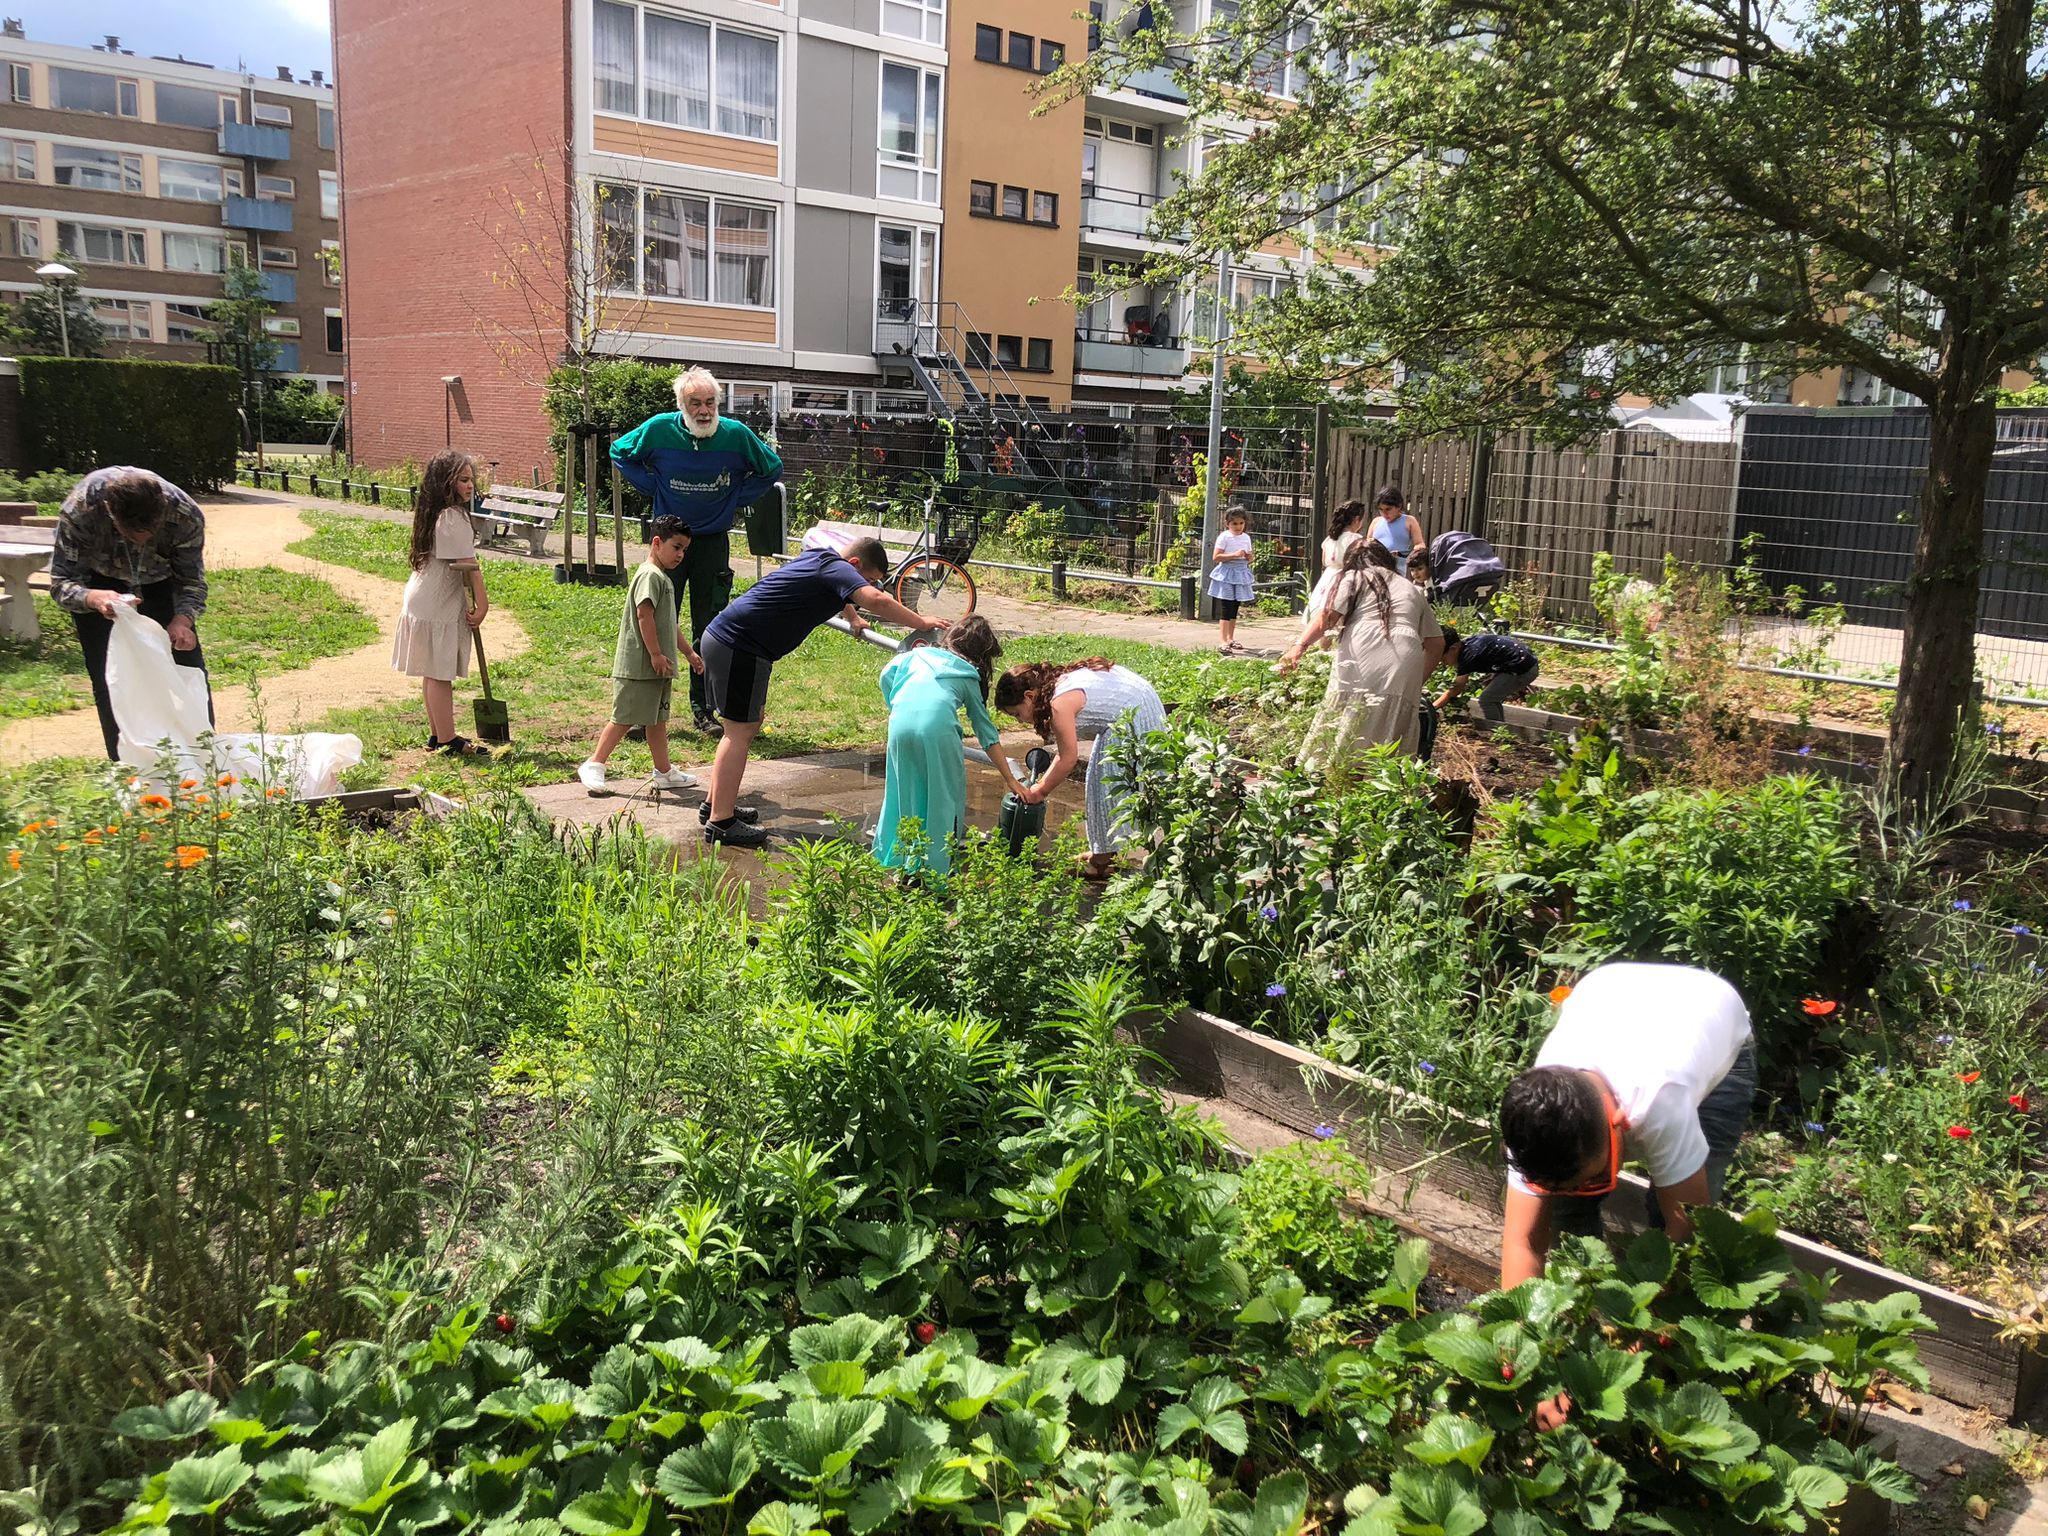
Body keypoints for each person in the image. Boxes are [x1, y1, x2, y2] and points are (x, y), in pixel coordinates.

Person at [1498, 962, 1757, 1291]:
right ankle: (1585, 1296)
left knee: (1679, 1216)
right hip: (1612, 989)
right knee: (1567, 1213)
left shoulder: (1661, 1103)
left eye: (1595, 1180)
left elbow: (1689, 1226)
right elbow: (1522, 1241)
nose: (1584, 1188)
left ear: (1620, 1121)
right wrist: (1520, 1318)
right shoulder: (1536, 1117)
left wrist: (1644, 1306)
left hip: (1716, 1023)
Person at [700, 537, 946, 848]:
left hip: (732, 642)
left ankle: (716, 803)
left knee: (745, 725)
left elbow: (841, 593)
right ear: (854, 564)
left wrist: (853, 617)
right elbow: (877, 600)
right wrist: (921, 621)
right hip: (740, 646)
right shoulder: (837, 567)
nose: (868, 586)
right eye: (868, 579)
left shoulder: (822, 559)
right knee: (739, 731)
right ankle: (721, 822)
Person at [611, 365, 783, 738]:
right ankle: (645, 711)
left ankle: (703, 710)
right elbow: (619, 452)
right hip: (668, 540)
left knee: (710, 628)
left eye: (709, 402)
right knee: (656, 621)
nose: (703, 411)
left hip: (712, 542)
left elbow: (771, 469)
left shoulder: (736, 435)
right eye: (695, 403)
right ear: (681, 405)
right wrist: (652, 486)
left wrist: (736, 497)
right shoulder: (659, 429)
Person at [49, 466, 212, 762]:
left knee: (187, 668)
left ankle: (204, 763)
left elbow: (191, 581)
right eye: (132, 533)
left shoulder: (186, 515)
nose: (142, 541)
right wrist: (92, 598)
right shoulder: (81, 509)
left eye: (150, 534)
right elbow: (61, 583)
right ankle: (128, 767)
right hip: (99, 586)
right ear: (110, 511)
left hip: (162, 585)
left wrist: (183, 620)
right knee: (111, 679)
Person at [873, 615, 1029, 876]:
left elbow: (885, 675)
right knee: (943, 800)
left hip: (899, 726)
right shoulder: (967, 675)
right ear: (981, 654)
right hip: (939, 733)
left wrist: (896, 704)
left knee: (905, 791)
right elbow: (986, 734)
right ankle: (935, 873)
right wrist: (1011, 779)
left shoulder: (914, 656)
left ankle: (904, 863)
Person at [1279, 540, 1445, 771]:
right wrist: (1416, 681)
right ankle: (1382, 785)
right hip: (1407, 655)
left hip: (1364, 644)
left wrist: (1299, 646)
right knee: (1390, 733)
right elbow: (1436, 643)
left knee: (1347, 717)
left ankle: (1333, 778)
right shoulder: (1411, 588)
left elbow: (1327, 617)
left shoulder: (1354, 576)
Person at [993, 657, 1165, 880]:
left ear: (1029, 696)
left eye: (1017, 714)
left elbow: (1067, 758)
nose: (1019, 721)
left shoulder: (1059, 704)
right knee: (1101, 779)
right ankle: (1104, 853)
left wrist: (1040, 791)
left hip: (1134, 714)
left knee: (1106, 788)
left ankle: (1102, 862)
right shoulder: (1056, 684)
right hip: (1140, 700)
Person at [577, 516, 704, 796]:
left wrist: (689, 653)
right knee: (624, 717)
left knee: (657, 721)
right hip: (639, 666)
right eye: (676, 547)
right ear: (657, 542)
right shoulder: (650, 575)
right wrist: (656, 654)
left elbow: (668, 623)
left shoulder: (662, 578)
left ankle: (664, 772)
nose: (681, 555)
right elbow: (643, 614)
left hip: (657, 668)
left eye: (684, 550)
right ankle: (594, 763)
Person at [390, 450, 492, 755]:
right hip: (436, 601)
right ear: (445, 483)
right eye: (462, 480)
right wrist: (483, 605)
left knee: (432, 670)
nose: (470, 485)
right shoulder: (452, 517)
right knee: (440, 672)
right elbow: (468, 565)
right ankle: (448, 739)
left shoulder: (434, 513)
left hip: (423, 595)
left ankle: (437, 735)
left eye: (471, 479)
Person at [1434, 623, 1541, 722]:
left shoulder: (1468, 657)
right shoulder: (1467, 645)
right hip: (1520, 663)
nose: (1441, 662)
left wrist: (1433, 708)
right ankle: (1500, 728)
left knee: (1487, 699)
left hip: (1522, 667)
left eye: (1442, 659)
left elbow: (1456, 688)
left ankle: (1495, 730)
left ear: (1454, 648)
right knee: (1492, 698)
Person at [1303, 498, 1367, 645]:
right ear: (1357, 519)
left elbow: (1324, 561)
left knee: (1323, 612)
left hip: (1327, 577)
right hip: (1345, 577)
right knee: (1338, 613)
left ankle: (1320, 646)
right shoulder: (1355, 539)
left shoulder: (1330, 539)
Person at [1208, 507, 1256, 653]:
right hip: (1227, 573)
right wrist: (1234, 555)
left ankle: (1230, 638)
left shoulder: (1246, 538)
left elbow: (1250, 557)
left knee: (1235, 606)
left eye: (1241, 523)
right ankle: (1223, 640)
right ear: (1227, 523)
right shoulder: (1224, 537)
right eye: (1234, 523)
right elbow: (1216, 557)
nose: (1238, 526)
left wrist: (1249, 557)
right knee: (1226, 607)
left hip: (1241, 573)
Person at [1366, 484, 1425, 578]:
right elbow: (1367, 544)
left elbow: (1419, 544)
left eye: (1388, 509)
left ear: (1399, 506)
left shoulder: (1409, 521)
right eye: (1381, 509)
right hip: (1376, 569)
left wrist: (1413, 554)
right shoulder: (1376, 522)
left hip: (1399, 570)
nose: (1384, 513)